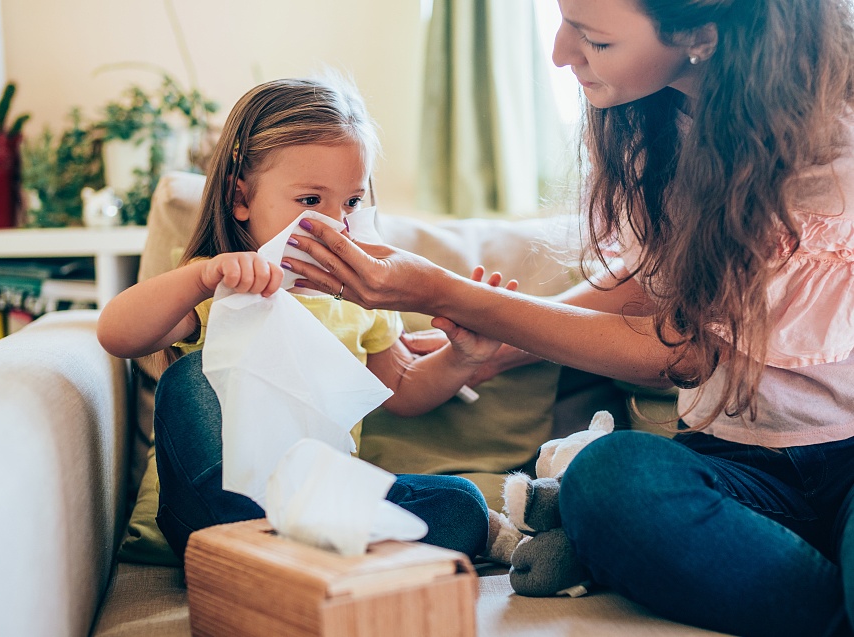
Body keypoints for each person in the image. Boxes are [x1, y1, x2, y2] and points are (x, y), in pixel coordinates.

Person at [281, 1, 854, 635]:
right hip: (737, 464)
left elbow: (684, 351)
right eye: (563, 19)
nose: (558, 53)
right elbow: (661, 283)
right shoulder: (665, 119)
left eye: (595, 41)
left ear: (700, 34)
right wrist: (498, 343)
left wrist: (448, 294)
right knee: (608, 479)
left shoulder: (833, 146)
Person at [97, 77, 511, 560]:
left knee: (463, 504)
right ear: (241, 198)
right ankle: (262, 548)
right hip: (211, 517)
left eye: (352, 202)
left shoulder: (362, 296)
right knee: (191, 379)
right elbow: (116, 334)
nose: (335, 223)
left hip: (317, 507)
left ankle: (299, 557)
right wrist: (203, 278)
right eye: (311, 201)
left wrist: (462, 357)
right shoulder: (222, 281)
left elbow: (401, 387)